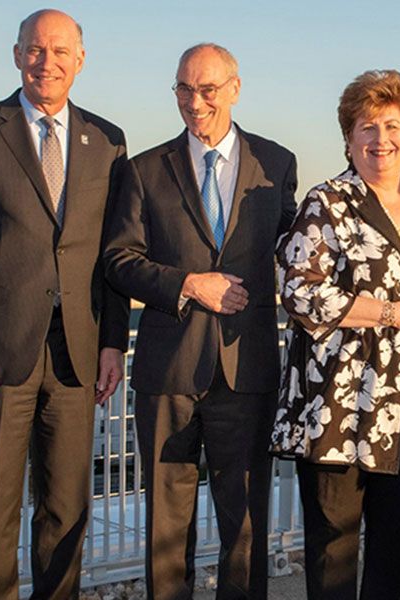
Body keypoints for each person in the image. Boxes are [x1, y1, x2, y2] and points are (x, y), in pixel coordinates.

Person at [0, 9, 129, 598]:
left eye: (61, 51)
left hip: (78, 357)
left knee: (67, 510)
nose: (48, 62)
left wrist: (113, 340)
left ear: (81, 60)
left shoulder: (108, 140)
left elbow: (112, 255)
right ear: (17, 55)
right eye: (36, 50)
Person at [103, 44, 297, 599]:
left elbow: (295, 250)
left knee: (246, 525)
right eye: (184, 89)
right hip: (169, 372)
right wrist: (189, 284)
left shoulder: (276, 163)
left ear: (235, 88)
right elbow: (119, 260)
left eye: (207, 89)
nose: (195, 102)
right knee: (167, 526)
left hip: (248, 369)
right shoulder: (143, 170)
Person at [270, 69, 400, 600]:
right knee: (334, 545)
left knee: (396, 539)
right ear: (348, 138)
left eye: (392, 125)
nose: (381, 139)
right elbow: (298, 291)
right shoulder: (328, 202)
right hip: (342, 408)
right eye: (367, 127)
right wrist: (388, 313)